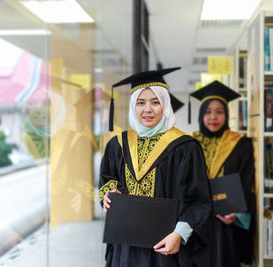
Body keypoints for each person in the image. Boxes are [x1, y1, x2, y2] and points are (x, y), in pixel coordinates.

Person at [99, 67, 215, 267]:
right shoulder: (117, 145)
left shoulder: (185, 147)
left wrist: (179, 234)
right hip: (125, 248)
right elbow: (107, 181)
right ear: (132, 106)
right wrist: (108, 195)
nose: (148, 110)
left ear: (165, 105)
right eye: (140, 102)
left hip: (166, 249)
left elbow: (201, 200)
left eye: (156, 102)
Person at [189, 80, 256, 267]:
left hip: (226, 223)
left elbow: (246, 180)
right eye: (208, 111)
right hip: (196, 221)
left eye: (219, 111)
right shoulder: (190, 144)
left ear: (226, 115)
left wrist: (237, 213)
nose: (213, 117)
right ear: (201, 114)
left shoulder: (240, 144)